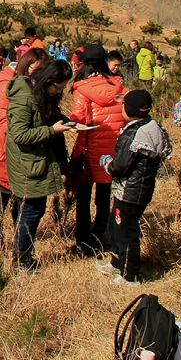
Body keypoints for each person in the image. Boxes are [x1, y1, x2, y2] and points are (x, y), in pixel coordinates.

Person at [4, 59, 77, 271]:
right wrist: (52, 131)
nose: (58, 92)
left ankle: (20, 251)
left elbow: (43, 117)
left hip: (34, 160)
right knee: (32, 211)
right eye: (58, 87)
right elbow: (19, 134)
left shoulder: (39, 94)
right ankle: (23, 260)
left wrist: (64, 122)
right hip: (28, 163)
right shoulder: (25, 98)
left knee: (25, 208)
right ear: (47, 80)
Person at [100, 90, 172, 284]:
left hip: (130, 191)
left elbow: (120, 166)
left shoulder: (133, 135)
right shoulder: (152, 126)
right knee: (116, 225)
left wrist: (106, 162)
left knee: (126, 232)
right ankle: (116, 263)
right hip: (139, 188)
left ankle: (129, 274)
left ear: (128, 109)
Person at [0, 48, 45, 248]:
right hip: (2, 153)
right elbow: (4, 121)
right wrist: (31, 133)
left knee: (17, 201)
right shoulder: (6, 85)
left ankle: (18, 240)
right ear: (26, 64)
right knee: (0, 201)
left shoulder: (27, 84)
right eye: (35, 68)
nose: (37, 73)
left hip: (17, 153)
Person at [68, 43, 125, 256]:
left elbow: (77, 119)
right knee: (105, 194)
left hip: (89, 148)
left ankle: (83, 239)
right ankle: (100, 235)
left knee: (83, 196)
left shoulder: (83, 88)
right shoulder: (118, 85)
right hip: (113, 148)